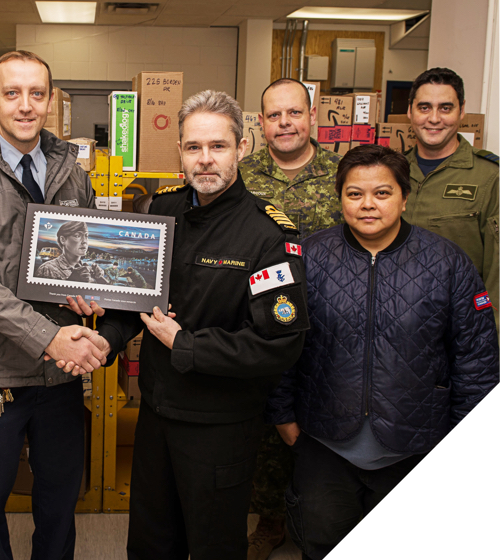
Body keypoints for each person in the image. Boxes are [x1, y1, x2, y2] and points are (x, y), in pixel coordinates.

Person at [94, 90, 310, 560]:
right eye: (194, 148)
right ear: (180, 153)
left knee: (213, 546)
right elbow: (135, 301)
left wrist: (187, 344)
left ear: (241, 148)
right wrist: (101, 341)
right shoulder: (162, 212)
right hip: (154, 414)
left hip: (220, 426)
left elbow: (281, 344)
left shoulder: (269, 234)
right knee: (150, 542)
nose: (206, 159)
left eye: (218, 146)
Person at [266, 145, 499, 560]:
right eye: (354, 194)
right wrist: (282, 415)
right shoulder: (306, 258)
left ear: (404, 197)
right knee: (321, 545)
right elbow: (282, 342)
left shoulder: (448, 263)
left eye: (382, 193)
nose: (368, 204)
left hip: (416, 446)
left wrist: (462, 446)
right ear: (340, 199)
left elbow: (476, 362)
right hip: (325, 442)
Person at [0, 51, 109, 560]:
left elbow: (86, 252)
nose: (25, 106)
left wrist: (89, 293)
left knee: (58, 498)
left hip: (60, 370)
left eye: (37, 94)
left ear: (52, 101)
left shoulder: (72, 174)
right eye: (12, 93)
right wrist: (47, 336)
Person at [238, 77, 342, 560]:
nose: (285, 123)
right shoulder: (244, 174)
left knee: (327, 416)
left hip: (332, 319)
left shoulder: (342, 173)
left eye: (294, 113)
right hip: (263, 318)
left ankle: (328, 516)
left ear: (311, 116)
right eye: (274, 115)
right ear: (260, 123)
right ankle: (270, 518)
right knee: (267, 423)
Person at [402, 67, 499, 335]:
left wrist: (492, 344)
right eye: (424, 107)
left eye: (445, 108)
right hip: (397, 330)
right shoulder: (392, 172)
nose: (434, 119)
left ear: (461, 111)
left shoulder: (489, 177)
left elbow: (497, 274)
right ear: (410, 111)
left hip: (460, 330)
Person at [36, 220, 107, 282]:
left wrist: (98, 278)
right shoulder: (47, 269)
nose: (84, 241)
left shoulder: (88, 269)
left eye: (86, 236)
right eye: (77, 236)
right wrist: (72, 280)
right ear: (63, 240)